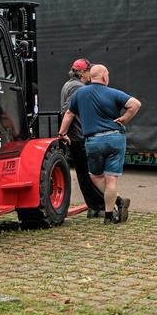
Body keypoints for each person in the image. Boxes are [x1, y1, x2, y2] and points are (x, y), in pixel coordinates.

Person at [58, 64, 141, 225]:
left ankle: (117, 200)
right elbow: (135, 104)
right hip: (115, 139)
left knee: (96, 176)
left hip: (93, 141)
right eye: (108, 74)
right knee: (111, 179)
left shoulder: (80, 93)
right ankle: (109, 215)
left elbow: (69, 114)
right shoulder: (113, 93)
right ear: (104, 77)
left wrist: (62, 133)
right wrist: (125, 119)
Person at [59, 58, 106, 218]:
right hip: (80, 136)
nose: (90, 75)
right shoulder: (78, 88)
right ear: (82, 73)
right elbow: (68, 110)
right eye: (88, 72)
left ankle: (94, 207)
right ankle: (99, 205)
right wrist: (63, 131)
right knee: (93, 173)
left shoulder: (68, 85)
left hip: (75, 136)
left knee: (83, 173)